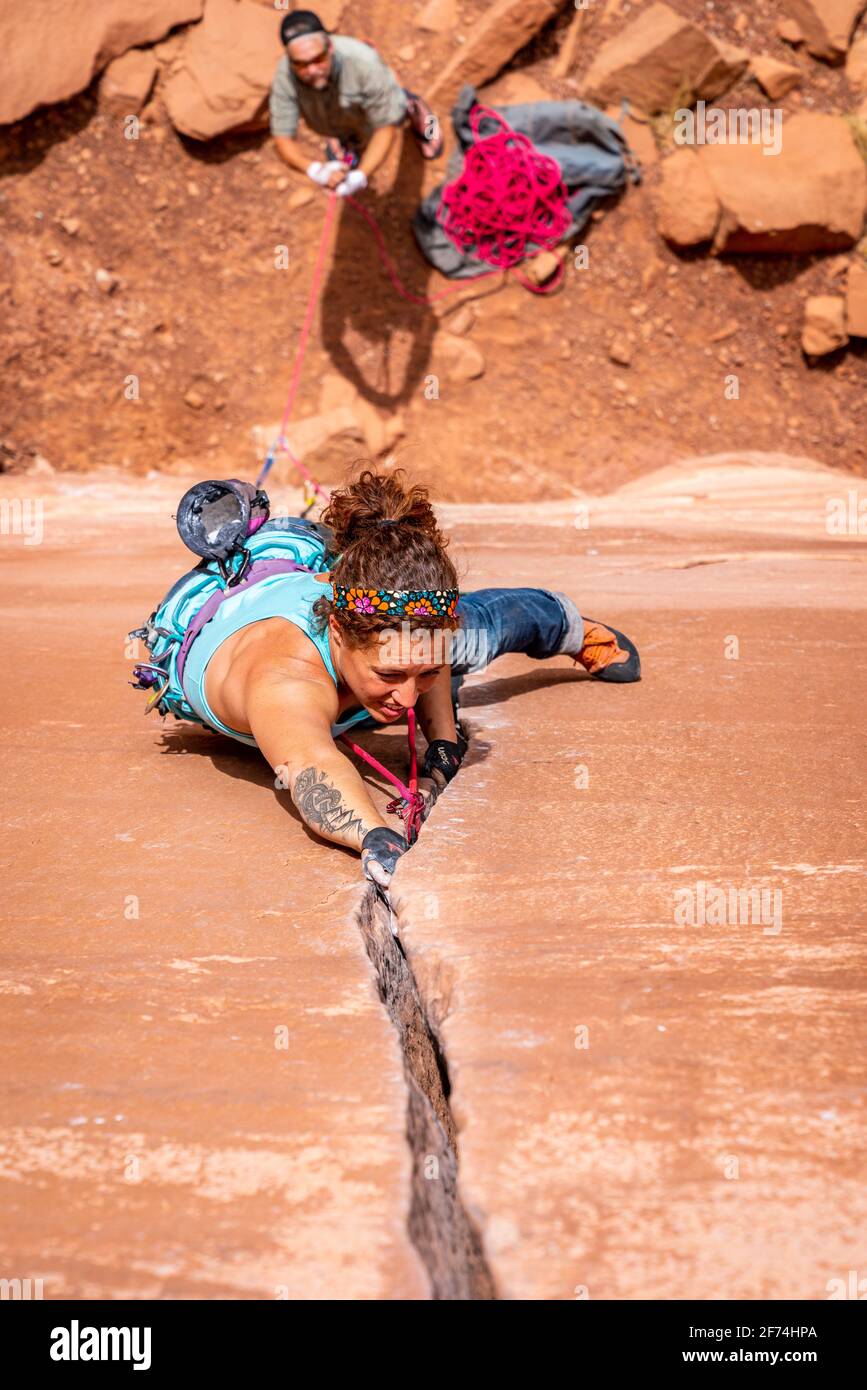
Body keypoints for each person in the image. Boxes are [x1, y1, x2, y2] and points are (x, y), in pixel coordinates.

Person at [137, 469, 639, 893]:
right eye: (390, 675)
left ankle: (568, 624)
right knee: (464, 639)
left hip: (377, 615)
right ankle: (548, 621)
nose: (404, 697)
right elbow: (311, 766)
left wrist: (442, 737)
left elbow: (421, 657)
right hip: (257, 603)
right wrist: (377, 836)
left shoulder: (408, 639)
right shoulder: (284, 679)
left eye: (423, 673)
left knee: (476, 634)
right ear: (336, 628)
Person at [268, 8, 443, 199]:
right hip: (342, 121)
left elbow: (386, 128)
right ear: (291, 61)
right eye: (301, 64)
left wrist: (361, 175)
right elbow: (282, 137)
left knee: (398, 109)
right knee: (351, 138)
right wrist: (314, 170)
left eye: (318, 59)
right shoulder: (285, 75)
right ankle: (348, 141)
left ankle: (417, 109)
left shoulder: (363, 62)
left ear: (330, 48)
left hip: (378, 107)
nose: (311, 70)